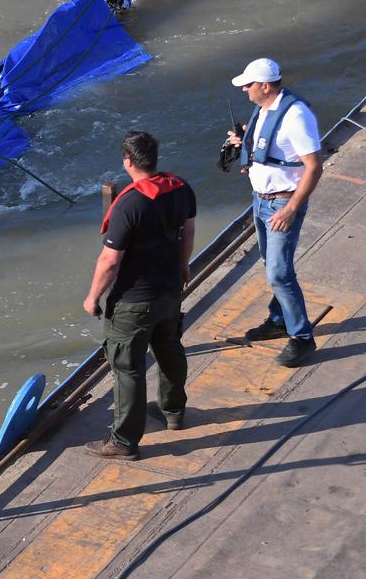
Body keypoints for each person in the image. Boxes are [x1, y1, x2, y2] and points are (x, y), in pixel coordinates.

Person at [82, 131, 195, 460]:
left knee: (127, 367)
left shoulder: (130, 203)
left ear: (128, 162)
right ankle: (173, 412)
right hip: (170, 289)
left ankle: (123, 441)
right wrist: (183, 267)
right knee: (170, 348)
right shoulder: (181, 187)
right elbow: (188, 232)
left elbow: (109, 261)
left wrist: (92, 298)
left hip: (135, 299)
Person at [223, 58, 323, 367]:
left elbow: (314, 166)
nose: (244, 90)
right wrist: (243, 143)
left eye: (248, 85)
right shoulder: (264, 108)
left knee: (279, 272)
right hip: (261, 199)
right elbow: (270, 148)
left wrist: (292, 208)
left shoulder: (296, 116)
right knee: (271, 265)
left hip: (282, 204)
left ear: (265, 86)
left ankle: (302, 338)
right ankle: (279, 318)